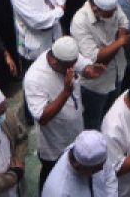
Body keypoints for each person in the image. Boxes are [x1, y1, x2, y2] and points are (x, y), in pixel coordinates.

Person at [23, 36, 105, 188]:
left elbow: (82, 65)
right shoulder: (34, 78)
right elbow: (42, 117)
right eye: (69, 66)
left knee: (74, 174)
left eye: (74, 64)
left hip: (75, 131)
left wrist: (89, 70)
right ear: (54, 62)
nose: (73, 68)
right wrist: (66, 92)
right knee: (52, 178)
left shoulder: (67, 55)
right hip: (54, 142)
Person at [71, 0, 130, 129]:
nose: (114, 14)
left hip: (117, 74)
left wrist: (114, 44)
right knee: (93, 124)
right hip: (95, 86)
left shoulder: (112, 5)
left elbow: (124, 22)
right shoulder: (80, 22)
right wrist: (120, 42)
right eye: (109, 13)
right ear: (96, 9)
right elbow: (94, 58)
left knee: (111, 118)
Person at [41, 129, 119, 197]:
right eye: (97, 169)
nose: (102, 169)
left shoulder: (96, 150)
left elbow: (110, 176)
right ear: (79, 167)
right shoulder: (58, 192)